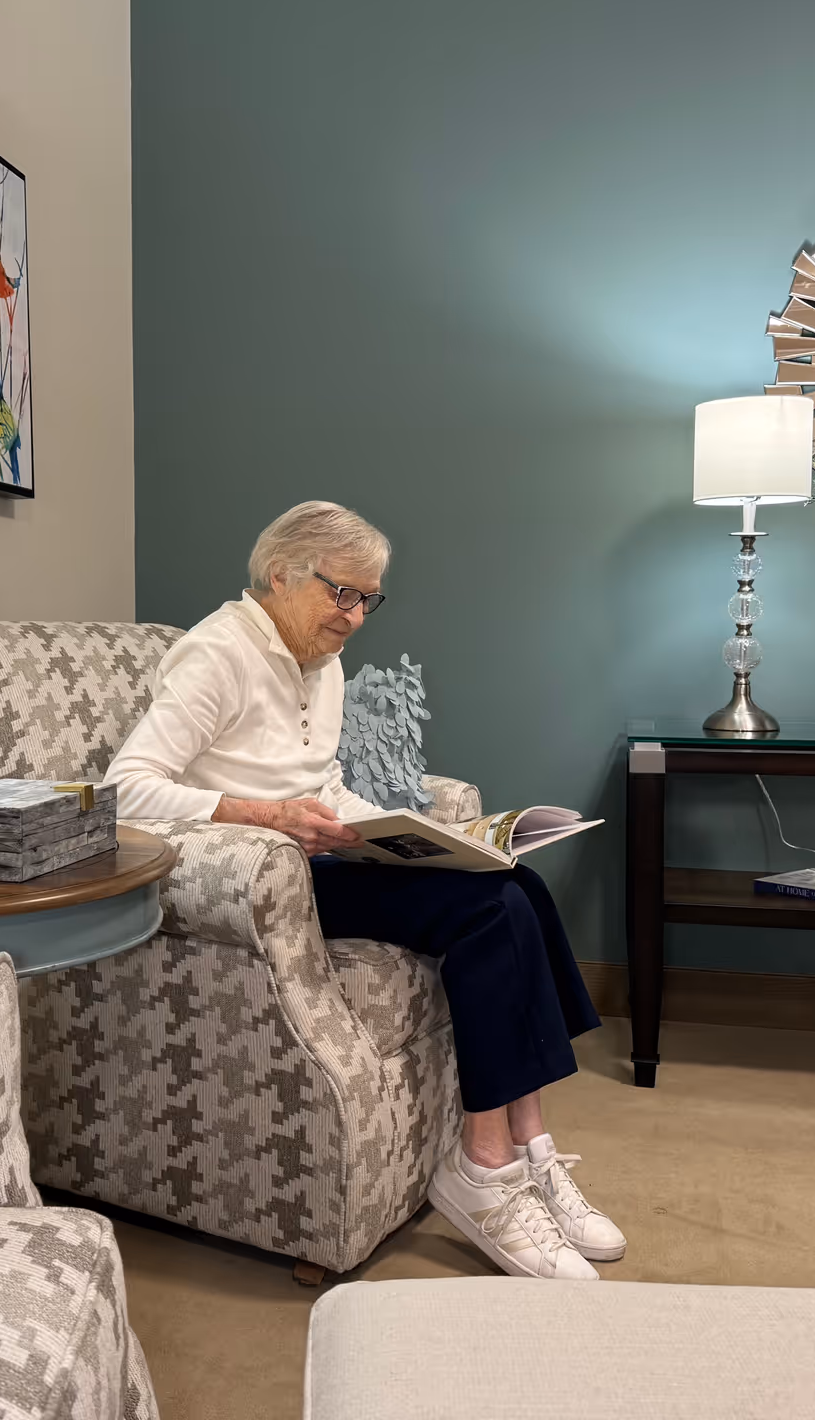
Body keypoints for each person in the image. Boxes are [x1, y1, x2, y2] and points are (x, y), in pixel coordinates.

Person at [106, 500, 624, 1280]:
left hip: (326, 857)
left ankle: (530, 1148)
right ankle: (483, 1171)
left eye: (366, 600)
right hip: (265, 877)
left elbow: (325, 784)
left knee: (514, 882)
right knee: (488, 914)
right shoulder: (216, 653)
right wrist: (263, 814)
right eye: (341, 593)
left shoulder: (322, 660)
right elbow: (123, 789)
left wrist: (413, 834)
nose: (353, 617)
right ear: (280, 573)